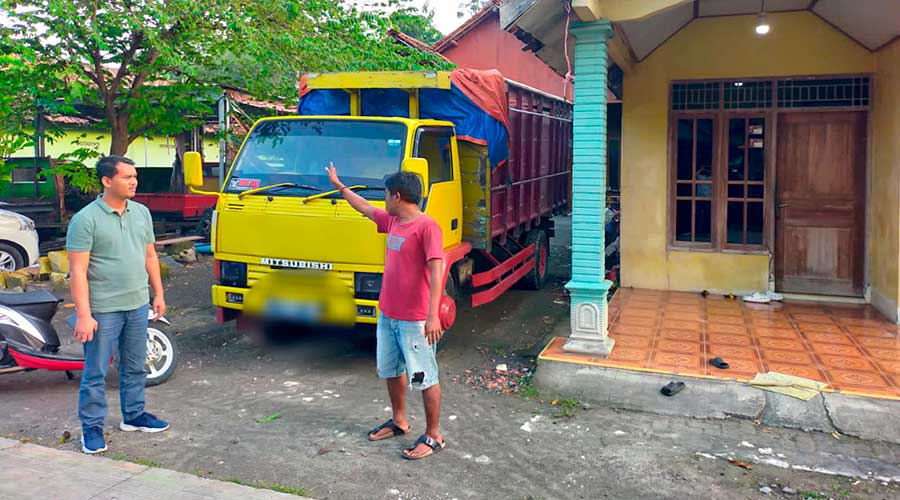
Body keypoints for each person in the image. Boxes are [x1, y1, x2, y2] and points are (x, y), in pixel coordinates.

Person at [326, 162, 446, 460]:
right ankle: (400, 420)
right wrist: (340, 186)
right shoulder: (393, 222)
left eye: (385, 194)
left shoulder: (427, 227)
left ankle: (433, 435)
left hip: (415, 319)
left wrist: (433, 315)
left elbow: (436, 271)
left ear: (397, 196)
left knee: (424, 376)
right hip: (388, 314)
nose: (383, 199)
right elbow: (364, 208)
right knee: (392, 370)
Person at [67, 155, 169, 454]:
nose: (134, 181)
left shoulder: (142, 213)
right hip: (103, 309)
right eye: (127, 177)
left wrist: (158, 294)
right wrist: (84, 315)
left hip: (137, 304)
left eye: (135, 176)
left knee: (136, 366)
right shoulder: (86, 220)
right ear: (107, 181)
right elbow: (78, 271)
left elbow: (150, 257)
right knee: (96, 372)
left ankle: (134, 416)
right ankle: (92, 429)